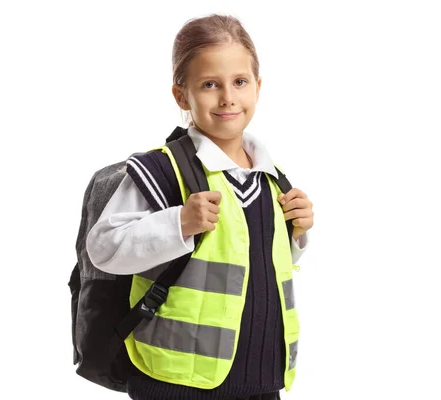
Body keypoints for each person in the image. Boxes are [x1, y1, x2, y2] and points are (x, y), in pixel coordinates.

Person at [86, 14, 314, 400]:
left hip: (263, 377)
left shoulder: (273, 177)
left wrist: (297, 232)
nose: (227, 97)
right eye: (210, 84)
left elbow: (250, 263)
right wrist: (178, 223)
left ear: (257, 87)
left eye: (239, 82)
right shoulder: (160, 170)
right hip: (175, 382)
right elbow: (104, 248)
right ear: (182, 95)